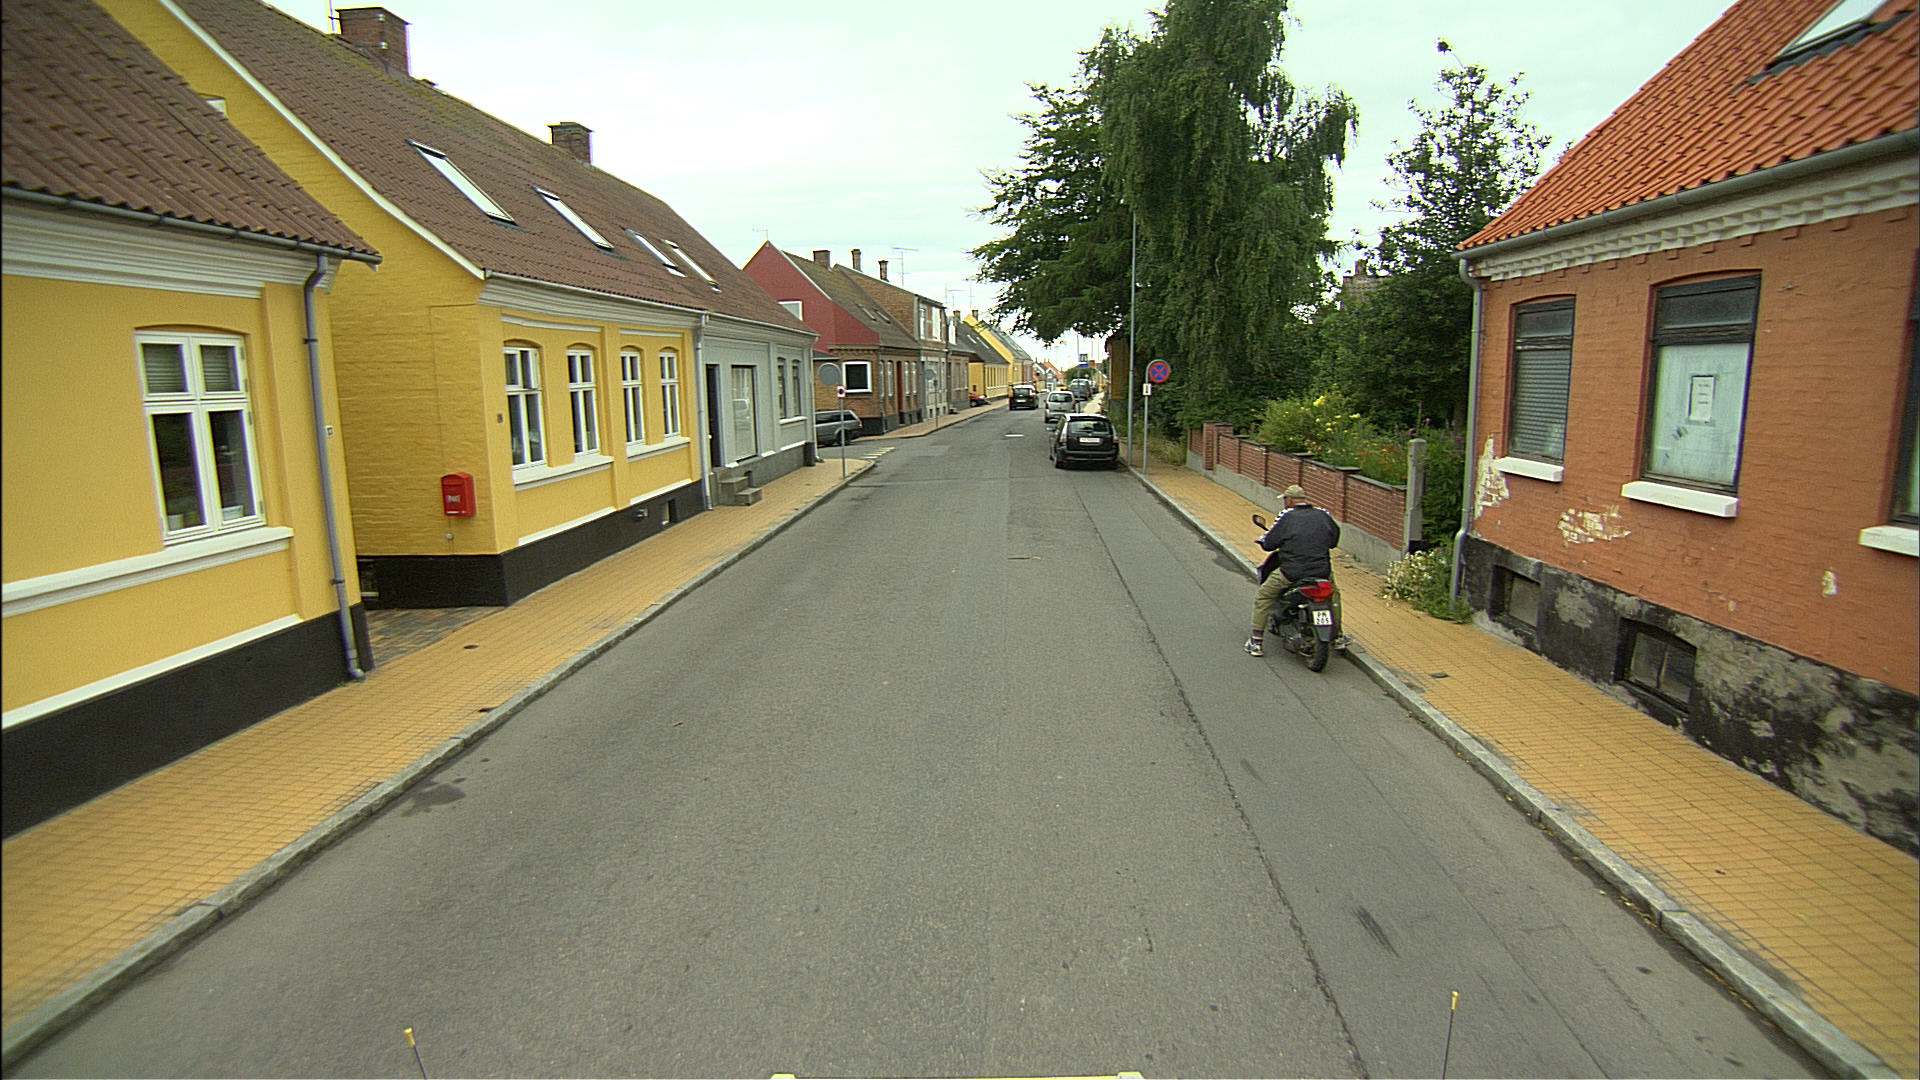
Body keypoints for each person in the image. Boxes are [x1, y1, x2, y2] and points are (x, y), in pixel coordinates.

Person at [1247, 484, 1341, 657]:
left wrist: (1265, 541)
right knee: (1333, 594)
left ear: (1289, 500)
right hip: (1321, 571)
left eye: (1285, 499)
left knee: (1264, 595)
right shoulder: (1323, 514)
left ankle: (1256, 641)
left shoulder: (1287, 516)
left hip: (1292, 572)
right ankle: (1338, 637)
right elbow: (1334, 540)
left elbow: (1269, 543)